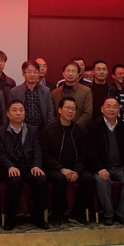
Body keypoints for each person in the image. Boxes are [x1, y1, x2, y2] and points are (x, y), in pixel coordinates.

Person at [0, 99, 48, 230]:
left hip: (27, 166)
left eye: (21, 110)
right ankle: (11, 219)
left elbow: (37, 150)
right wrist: (10, 166)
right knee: (15, 180)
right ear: (8, 114)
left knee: (41, 179)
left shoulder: (32, 130)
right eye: (15, 110)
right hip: (8, 168)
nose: (18, 113)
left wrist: (36, 165)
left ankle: (38, 217)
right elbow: (0, 154)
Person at [40, 97, 94, 226]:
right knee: (59, 179)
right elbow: (45, 155)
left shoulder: (79, 130)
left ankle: (76, 214)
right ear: (59, 110)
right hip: (55, 168)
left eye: (73, 109)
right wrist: (61, 169)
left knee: (89, 179)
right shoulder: (48, 130)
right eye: (68, 108)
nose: (71, 111)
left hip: (75, 167)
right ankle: (57, 215)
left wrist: (77, 171)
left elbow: (84, 154)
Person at [87, 97, 124, 226]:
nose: (111, 109)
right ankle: (108, 214)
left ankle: (122, 213)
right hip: (103, 167)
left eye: (115, 107)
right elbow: (91, 151)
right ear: (102, 109)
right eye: (108, 106)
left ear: (119, 110)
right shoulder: (94, 126)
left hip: (121, 167)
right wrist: (99, 168)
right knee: (101, 180)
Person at [10, 61, 54, 128]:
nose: (32, 74)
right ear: (23, 74)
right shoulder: (15, 92)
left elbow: (49, 112)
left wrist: (48, 128)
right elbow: (11, 113)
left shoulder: (45, 91)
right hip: (23, 129)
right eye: (29, 72)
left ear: (38, 74)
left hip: (41, 129)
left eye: (35, 72)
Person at [51, 61, 93, 129]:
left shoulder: (86, 91)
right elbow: (52, 113)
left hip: (78, 130)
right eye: (68, 71)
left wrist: (75, 127)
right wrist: (58, 126)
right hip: (58, 130)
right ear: (63, 73)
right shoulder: (55, 93)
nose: (70, 74)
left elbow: (87, 114)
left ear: (78, 74)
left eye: (73, 71)